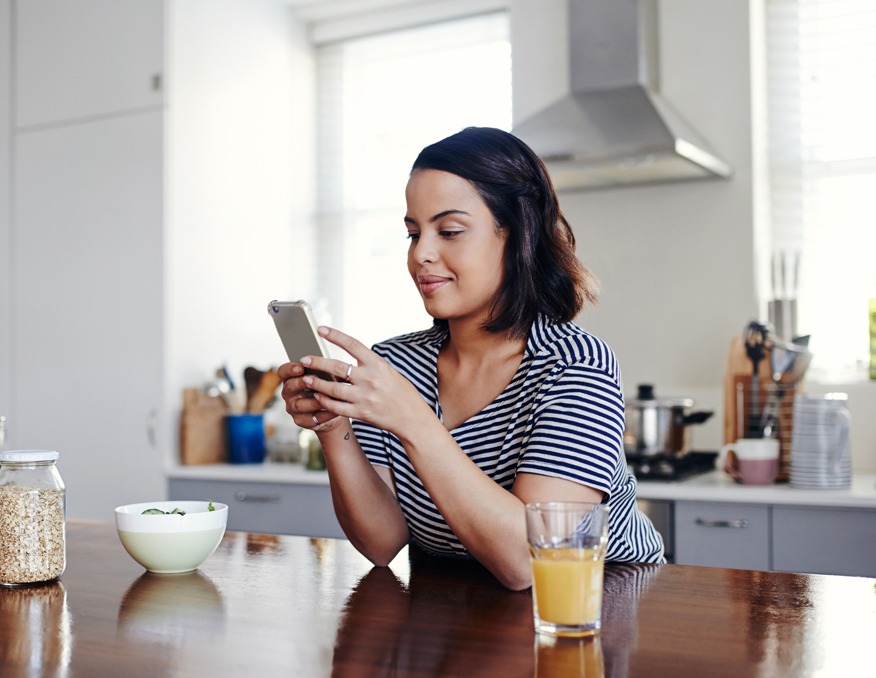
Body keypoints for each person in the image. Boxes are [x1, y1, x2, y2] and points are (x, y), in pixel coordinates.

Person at [278, 127, 665, 591]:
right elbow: (381, 543)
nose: (421, 254)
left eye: (450, 231)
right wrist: (331, 425)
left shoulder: (575, 364)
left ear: (516, 233)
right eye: (413, 233)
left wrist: (412, 420)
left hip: (599, 608)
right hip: (470, 615)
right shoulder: (397, 365)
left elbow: (534, 564)